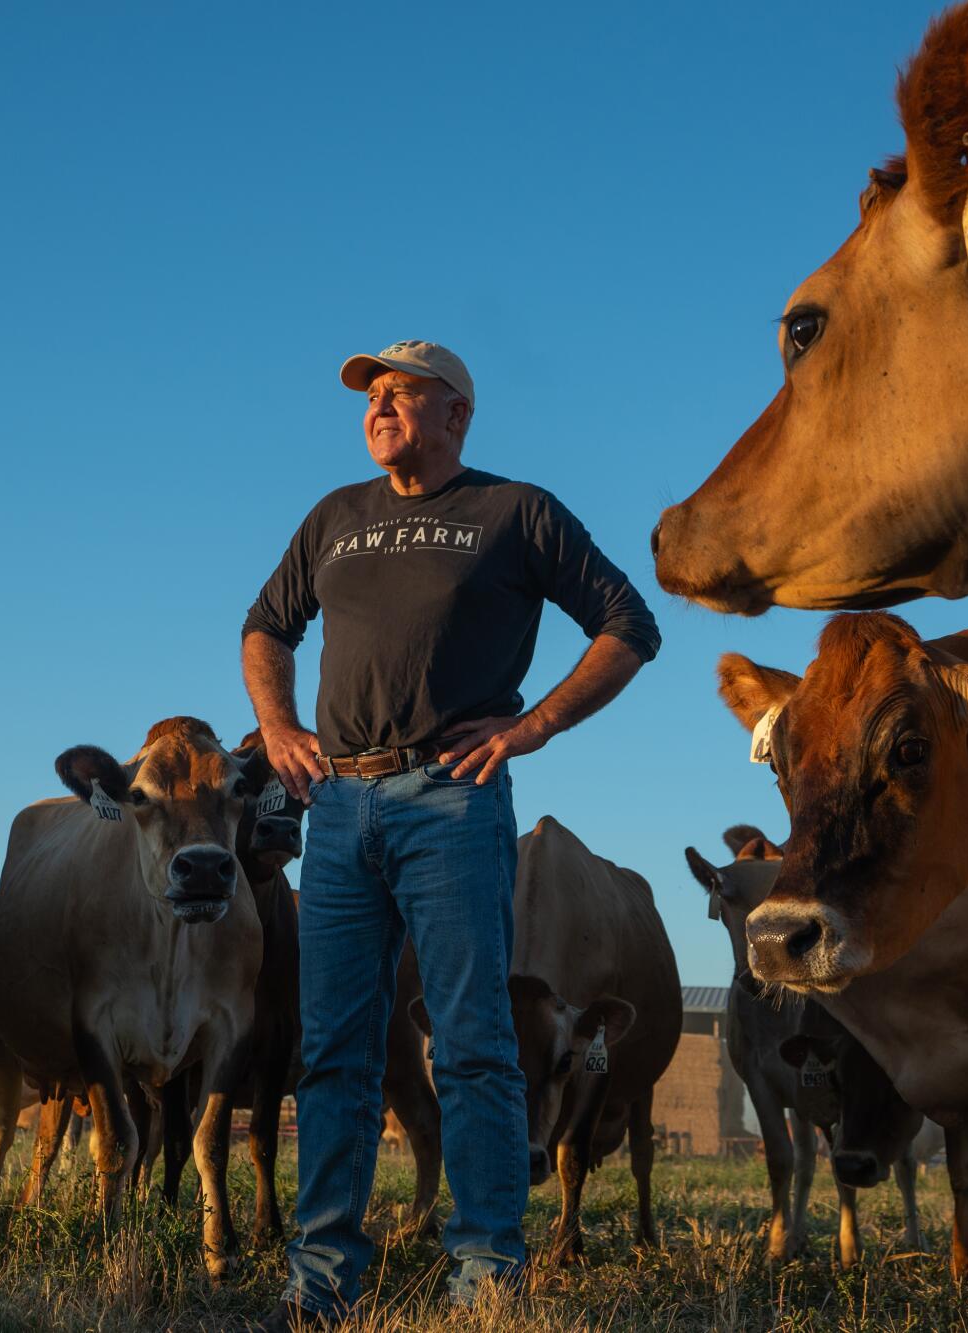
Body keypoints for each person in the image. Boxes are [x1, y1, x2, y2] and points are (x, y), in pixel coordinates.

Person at [240, 340, 660, 1329]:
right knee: (333, 1050)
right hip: (337, 808)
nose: (378, 407)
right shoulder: (334, 517)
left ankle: (484, 1276)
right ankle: (324, 1277)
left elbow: (626, 624)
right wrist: (276, 726)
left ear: (455, 414)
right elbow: (266, 625)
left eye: (399, 393)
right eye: (370, 397)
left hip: (454, 802)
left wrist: (532, 724)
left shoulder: (514, 512)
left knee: (473, 1043)